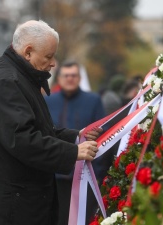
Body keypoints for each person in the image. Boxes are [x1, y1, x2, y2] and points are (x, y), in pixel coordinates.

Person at [0, 20, 101, 225]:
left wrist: (75, 136)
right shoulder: (7, 82)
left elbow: (36, 129)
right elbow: (22, 139)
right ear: (28, 52)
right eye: (49, 56)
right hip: (1, 207)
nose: (53, 62)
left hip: (8, 201)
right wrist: (73, 152)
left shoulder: (17, 77)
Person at [44, 61, 106, 225]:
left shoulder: (93, 101)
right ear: (59, 78)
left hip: (85, 175)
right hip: (54, 176)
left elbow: (102, 137)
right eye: (66, 75)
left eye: (74, 75)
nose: (70, 79)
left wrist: (98, 174)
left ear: (79, 78)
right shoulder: (47, 101)